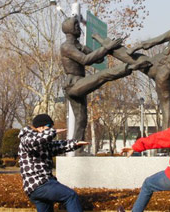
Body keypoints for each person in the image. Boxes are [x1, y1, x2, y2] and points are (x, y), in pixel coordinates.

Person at [61, 16, 150, 144]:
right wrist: (106, 48)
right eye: (76, 26)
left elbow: (98, 59)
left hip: (80, 83)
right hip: (73, 85)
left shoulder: (78, 46)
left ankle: (77, 149)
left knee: (81, 119)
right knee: (103, 75)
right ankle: (130, 67)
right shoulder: (66, 47)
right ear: (69, 29)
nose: (79, 29)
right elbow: (85, 60)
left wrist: (103, 46)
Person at [18, 114, 102, 212]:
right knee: (70, 195)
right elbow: (36, 141)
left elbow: (57, 146)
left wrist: (75, 144)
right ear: (40, 128)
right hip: (40, 184)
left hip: (36, 189)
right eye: (48, 127)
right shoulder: (26, 138)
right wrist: (52, 132)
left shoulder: (43, 143)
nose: (51, 131)